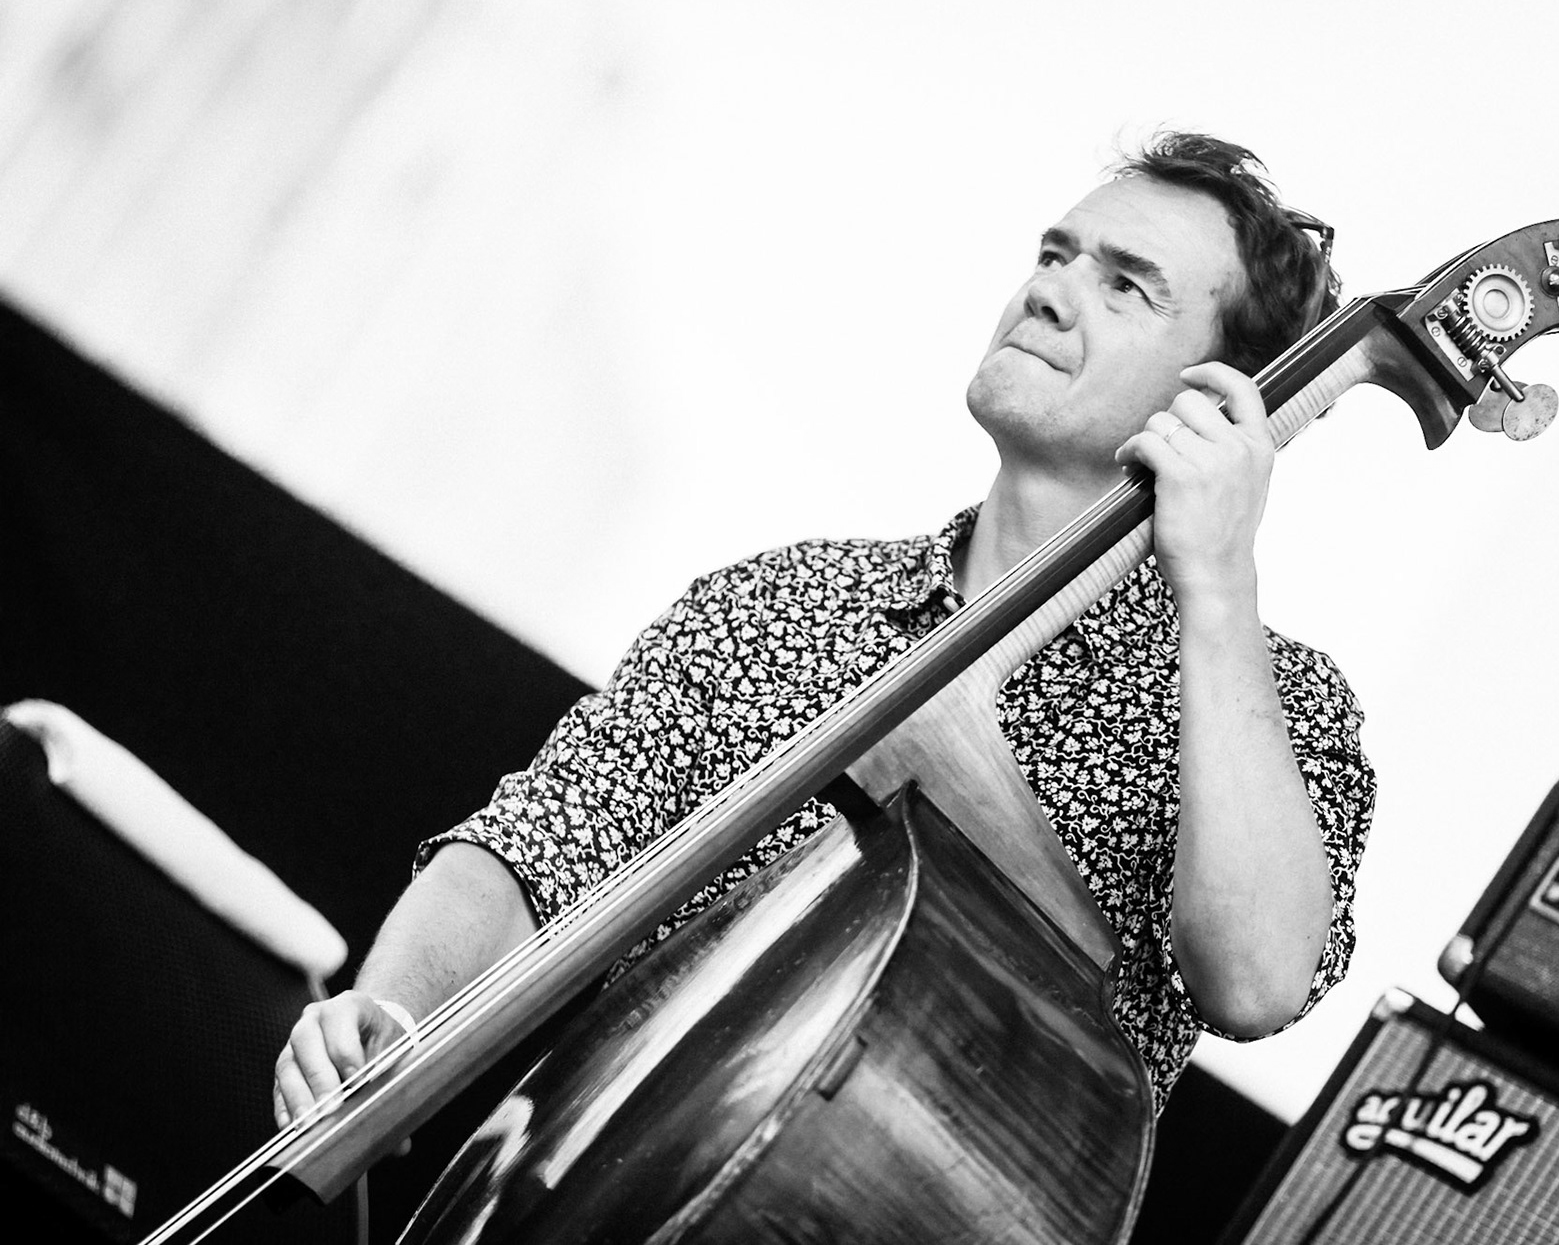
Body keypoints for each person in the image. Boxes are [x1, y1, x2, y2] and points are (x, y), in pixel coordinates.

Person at [273, 132, 1377, 1128]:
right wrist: (390, 1016)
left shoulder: (1280, 707)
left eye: (1126, 284)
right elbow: (539, 846)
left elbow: (1257, 978)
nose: (1048, 291)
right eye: (1056, 253)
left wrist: (1217, 579)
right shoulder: (780, 604)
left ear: (1222, 397)